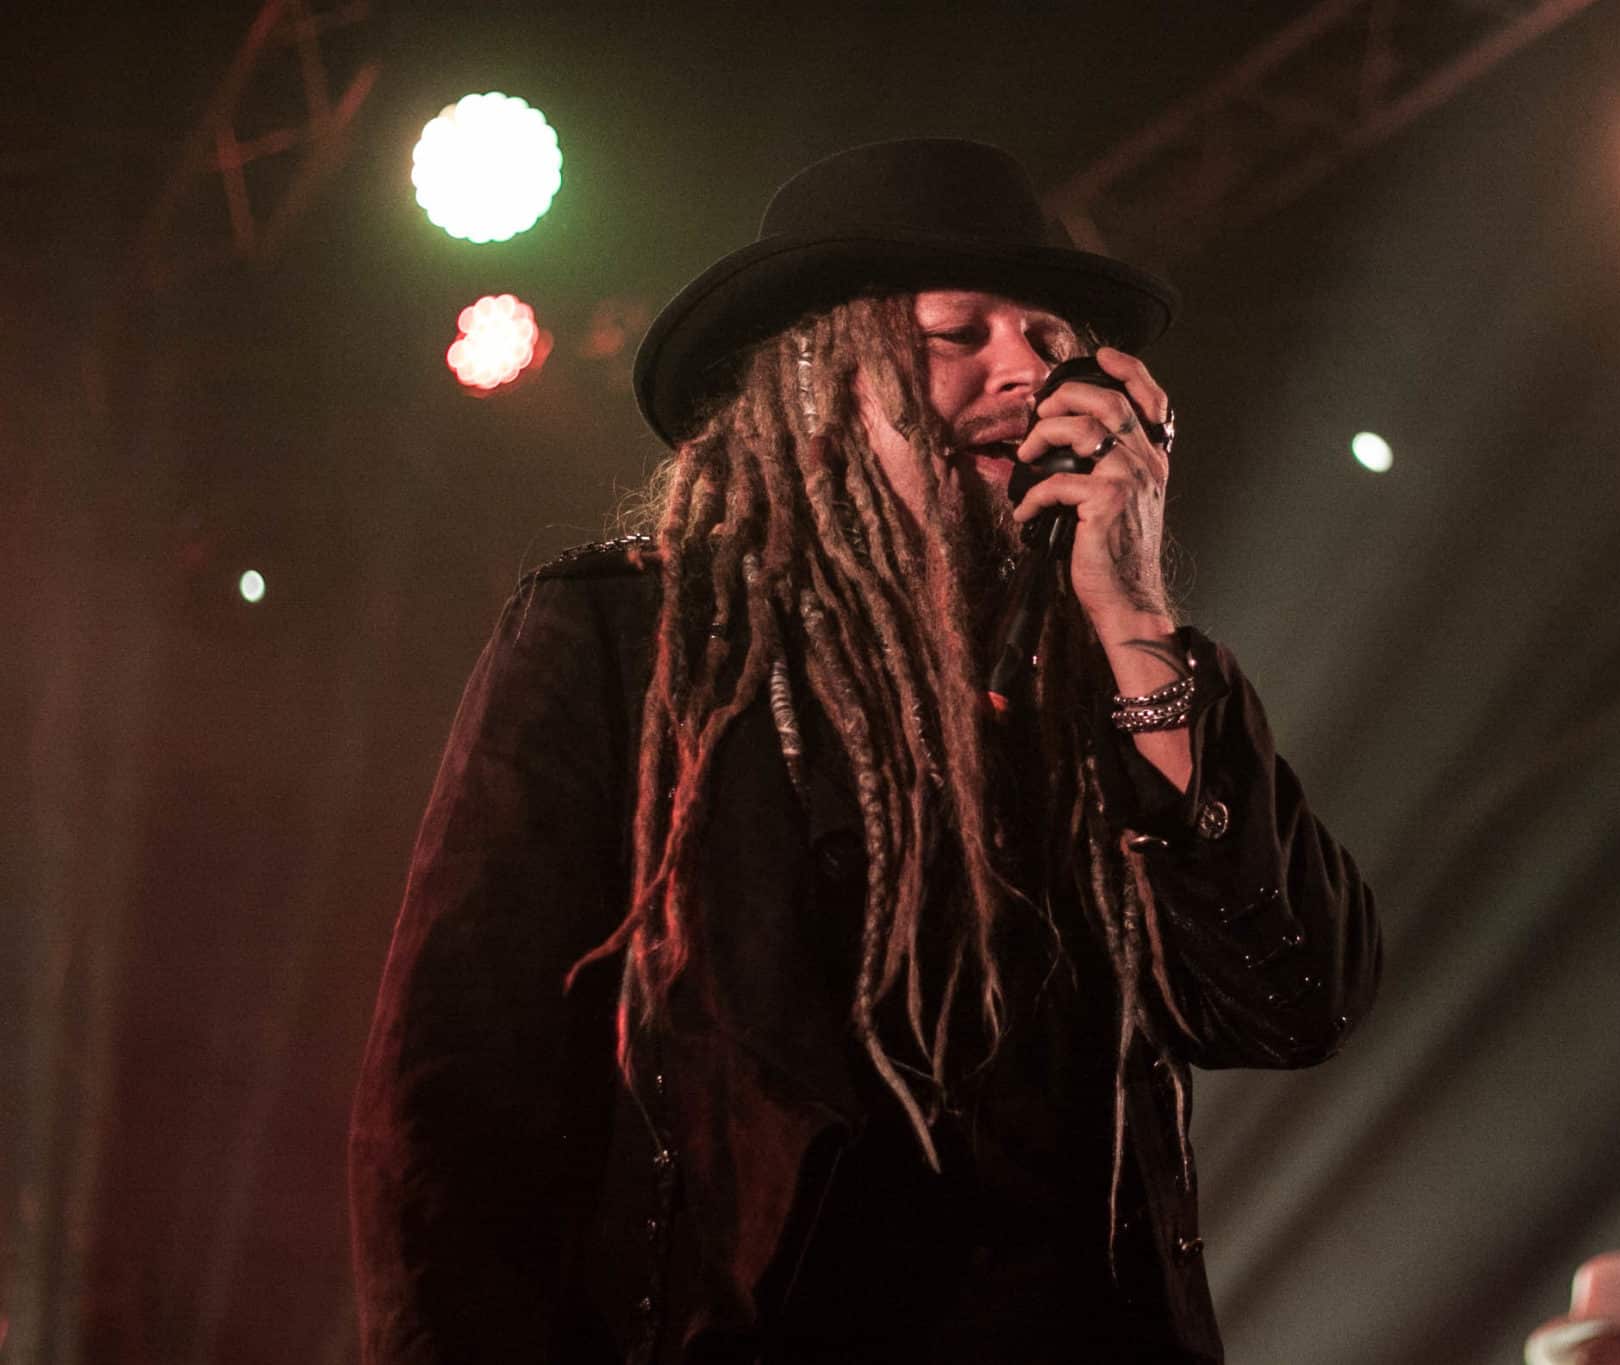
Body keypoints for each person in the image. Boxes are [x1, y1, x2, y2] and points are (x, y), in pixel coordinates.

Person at [349, 137, 1379, 1364]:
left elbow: (1293, 1005)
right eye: (957, 333)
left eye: (1051, 340)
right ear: (813, 378)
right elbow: (457, 1109)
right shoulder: (628, 642)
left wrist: (1133, 616)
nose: (1027, 372)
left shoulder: (1119, 680)